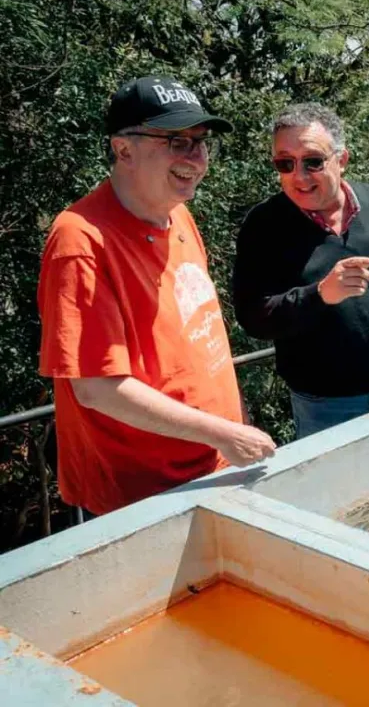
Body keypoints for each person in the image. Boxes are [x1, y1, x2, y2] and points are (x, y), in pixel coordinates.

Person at [37, 75, 276, 518]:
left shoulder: (178, 215)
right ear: (123, 149)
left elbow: (203, 336)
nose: (196, 157)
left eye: (201, 143)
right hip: (144, 498)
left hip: (212, 466)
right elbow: (97, 388)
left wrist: (234, 422)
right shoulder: (81, 240)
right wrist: (221, 432)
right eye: (177, 142)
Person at [233, 104, 369, 439]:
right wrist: (319, 295)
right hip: (322, 408)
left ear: (341, 160)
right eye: (285, 163)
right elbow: (253, 317)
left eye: (313, 161)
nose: (299, 176)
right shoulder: (264, 226)